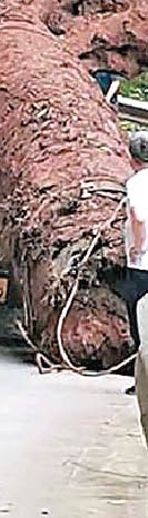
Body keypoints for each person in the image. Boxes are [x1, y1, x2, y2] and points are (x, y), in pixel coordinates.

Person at [123, 132, 148, 447]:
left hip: (143, 266)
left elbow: (139, 217)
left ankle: (140, 379)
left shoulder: (137, 183)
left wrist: (137, 249)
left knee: (139, 321)